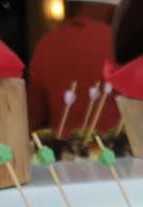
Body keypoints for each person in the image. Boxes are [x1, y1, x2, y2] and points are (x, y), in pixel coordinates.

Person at [28, 1, 122, 135]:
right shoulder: (118, 42)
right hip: (117, 145)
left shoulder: (46, 45)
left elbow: (33, 119)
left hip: (60, 146)